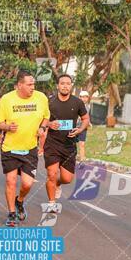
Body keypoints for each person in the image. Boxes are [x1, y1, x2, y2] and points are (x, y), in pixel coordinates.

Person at [0, 71, 50, 227]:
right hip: (10, 148)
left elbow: (46, 116)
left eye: (33, 84)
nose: (33, 87)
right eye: (29, 84)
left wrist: (42, 127)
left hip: (30, 148)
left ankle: (19, 201)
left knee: (27, 183)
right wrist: (7, 126)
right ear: (20, 85)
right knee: (10, 181)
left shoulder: (41, 98)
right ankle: (12, 214)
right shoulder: (7, 99)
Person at [43, 74, 89, 212]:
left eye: (68, 83)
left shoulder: (77, 102)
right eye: (62, 83)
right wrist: (50, 124)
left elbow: (86, 118)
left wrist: (80, 129)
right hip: (52, 143)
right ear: (58, 85)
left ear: (71, 86)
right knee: (51, 173)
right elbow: (41, 120)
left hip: (69, 145)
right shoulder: (49, 102)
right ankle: (51, 203)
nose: (65, 86)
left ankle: (57, 184)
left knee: (67, 178)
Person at [77, 90, 92, 162]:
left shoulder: (88, 107)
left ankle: (82, 159)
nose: (84, 99)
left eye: (86, 97)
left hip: (83, 127)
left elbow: (88, 117)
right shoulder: (75, 105)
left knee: (82, 143)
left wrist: (89, 123)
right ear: (79, 97)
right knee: (71, 144)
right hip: (75, 127)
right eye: (82, 97)